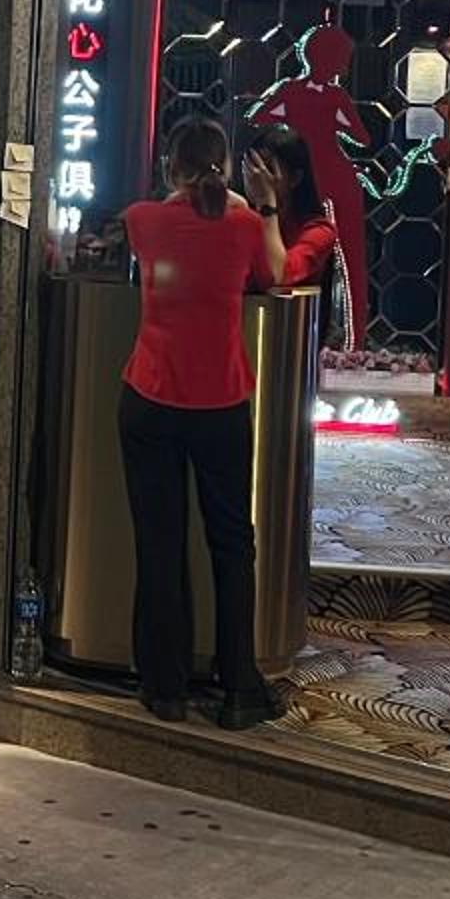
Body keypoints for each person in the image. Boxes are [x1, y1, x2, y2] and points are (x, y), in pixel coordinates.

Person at [117, 118, 287, 730]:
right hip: (221, 403)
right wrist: (263, 204)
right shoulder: (243, 226)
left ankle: (165, 689)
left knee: (159, 542)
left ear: (170, 167)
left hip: (151, 397)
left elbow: (166, 218)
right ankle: (239, 687)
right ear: (227, 167)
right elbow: (276, 273)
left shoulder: (143, 220)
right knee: (232, 543)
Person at [246, 123, 341, 300]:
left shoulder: (319, 231)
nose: (256, 177)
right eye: (252, 167)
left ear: (295, 178)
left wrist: (267, 204)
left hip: (288, 316)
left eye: (268, 168)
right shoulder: (239, 217)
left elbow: (279, 276)